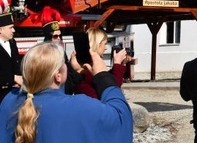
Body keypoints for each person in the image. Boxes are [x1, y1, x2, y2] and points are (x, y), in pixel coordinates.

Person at [0, 41, 133, 143]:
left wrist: (75, 72)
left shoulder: (9, 101)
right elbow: (120, 118)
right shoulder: (81, 106)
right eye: (64, 63)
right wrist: (102, 75)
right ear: (58, 76)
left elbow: (54, 93)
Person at [74, 27, 128, 99]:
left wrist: (120, 64)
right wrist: (117, 64)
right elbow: (111, 87)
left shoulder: (84, 64)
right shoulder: (88, 67)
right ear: (98, 44)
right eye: (104, 44)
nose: (105, 48)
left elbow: (105, 77)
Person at [41, 14, 83, 95]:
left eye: (60, 35)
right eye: (55, 36)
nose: (59, 38)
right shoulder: (45, 55)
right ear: (48, 38)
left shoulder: (61, 51)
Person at [0, 12, 21, 104]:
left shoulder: (12, 43)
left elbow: (16, 64)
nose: (13, 30)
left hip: (13, 93)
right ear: (1, 29)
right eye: (10, 27)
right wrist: (13, 78)